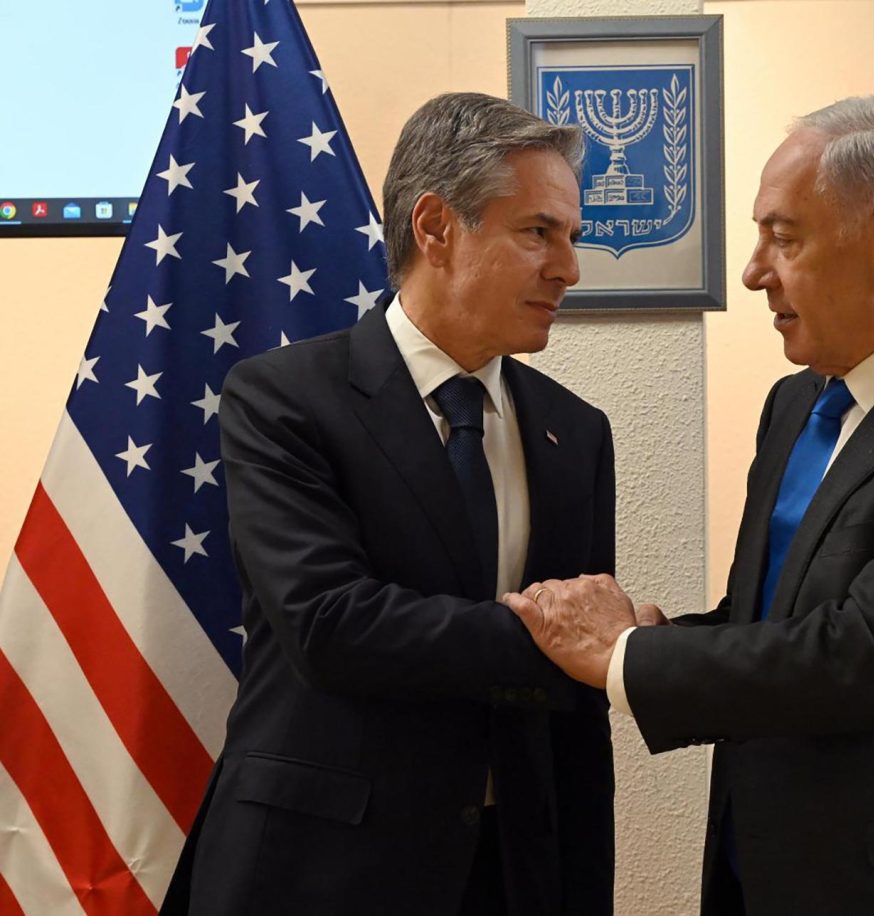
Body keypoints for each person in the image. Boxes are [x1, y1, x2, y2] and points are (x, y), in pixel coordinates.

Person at [507, 96, 874, 915]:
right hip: (770, 876)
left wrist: (624, 657)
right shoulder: (798, 405)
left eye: (784, 238)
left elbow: (867, 653)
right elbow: (784, 623)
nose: (753, 271)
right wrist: (660, 635)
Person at [161, 93, 615, 916]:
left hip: (510, 877)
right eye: (538, 233)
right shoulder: (281, 400)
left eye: (571, 238)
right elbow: (331, 625)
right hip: (317, 872)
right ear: (437, 227)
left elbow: (572, 719)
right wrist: (564, 638)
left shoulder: (575, 434)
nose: (569, 268)